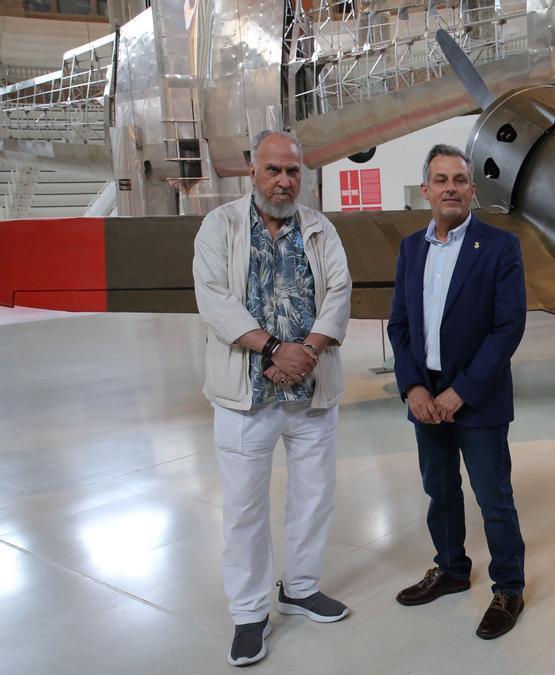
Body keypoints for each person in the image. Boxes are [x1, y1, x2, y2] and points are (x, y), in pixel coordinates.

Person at [193, 130, 353, 667]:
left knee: (314, 495)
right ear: (251, 170)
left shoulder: (320, 228)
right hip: (245, 394)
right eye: (273, 171)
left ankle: (301, 586)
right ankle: (248, 614)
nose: (284, 182)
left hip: (312, 389)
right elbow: (213, 299)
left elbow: (339, 291)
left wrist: (305, 350)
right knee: (243, 509)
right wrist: (273, 349)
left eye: (292, 172)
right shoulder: (220, 226)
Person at [387, 144, 528, 639]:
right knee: (439, 489)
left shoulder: (499, 246)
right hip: (425, 392)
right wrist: (413, 388)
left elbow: (507, 328)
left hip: (478, 394)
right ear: (425, 190)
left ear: (472, 189)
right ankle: (450, 569)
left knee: (494, 496)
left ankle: (508, 587)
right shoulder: (411, 248)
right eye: (441, 179)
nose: (451, 187)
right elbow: (400, 325)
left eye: (460, 180)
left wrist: (460, 392)